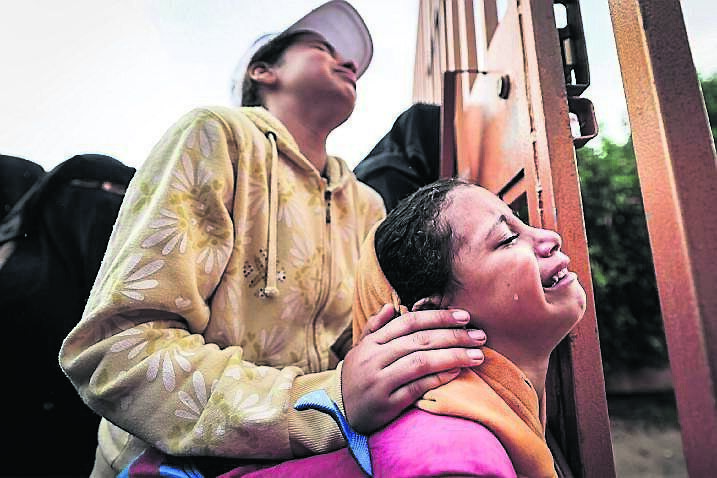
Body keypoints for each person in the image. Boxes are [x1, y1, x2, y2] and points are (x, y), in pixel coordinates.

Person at [59, 2, 487, 476]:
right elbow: (117, 351)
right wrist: (325, 400)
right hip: (169, 463)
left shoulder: (367, 205)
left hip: (310, 453)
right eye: (323, 48)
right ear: (264, 71)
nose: (348, 62)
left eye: (354, 62)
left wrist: (375, 355)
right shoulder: (215, 136)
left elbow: (344, 352)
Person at [1, 153, 134, 476]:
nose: (104, 196)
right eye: (93, 187)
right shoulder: (13, 279)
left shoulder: (152, 286)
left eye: (117, 191)